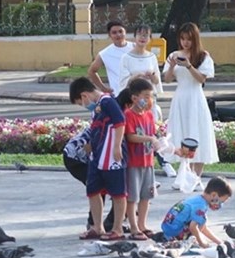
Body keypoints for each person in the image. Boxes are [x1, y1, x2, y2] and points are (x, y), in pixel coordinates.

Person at [69, 76, 128, 241]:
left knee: (117, 193)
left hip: (111, 155)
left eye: (81, 103)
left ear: (84, 95)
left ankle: (117, 229)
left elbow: (120, 122)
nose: (84, 106)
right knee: (93, 190)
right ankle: (97, 227)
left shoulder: (108, 102)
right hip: (97, 156)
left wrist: (117, 146)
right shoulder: (98, 108)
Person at [162, 22, 218, 187]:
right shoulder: (174, 54)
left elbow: (201, 79)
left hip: (196, 98)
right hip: (180, 98)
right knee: (181, 133)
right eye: (182, 39)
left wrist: (188, 65)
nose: (185, 42)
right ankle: (183, 176)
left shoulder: (203, 56)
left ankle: (195, 177)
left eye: (189, 39)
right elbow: (167, 79)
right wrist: (172, 66)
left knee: (197, 133)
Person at [118, 23, 174, 177]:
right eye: (140, 34)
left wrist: (153, 77)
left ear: (150, 38)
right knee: (136, 132)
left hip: (148, 101)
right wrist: (137, 77)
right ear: (134, 37)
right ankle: (134, 167)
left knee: (152, 131)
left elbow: (157, 82)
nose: (143, 38)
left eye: (146, 35)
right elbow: (123, 82)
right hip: (134, 102)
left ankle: (163, 163)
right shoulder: (126, 57)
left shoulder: (151, 57)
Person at [123, 78, 159, 241]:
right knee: (133, 197)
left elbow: (153, 134)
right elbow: (130, 136)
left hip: (148, 161)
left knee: (146, 196)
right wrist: (149, 139)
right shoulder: (129, 115)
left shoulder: (150, 115)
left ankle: (142, 224)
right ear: (134, 98)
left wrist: (159, 142)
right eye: (145, 96)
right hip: (134, 162)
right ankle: (134, 226)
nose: (148, 100)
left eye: (150, 96)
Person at [159, 176, 232, 248]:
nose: (220, 205)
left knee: (201, 219)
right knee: (202, 219)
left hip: (168, 230)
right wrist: (202, 243)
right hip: (174, 234)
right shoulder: (201, 206)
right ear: (213, 195)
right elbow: (193, 227)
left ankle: (194, 239)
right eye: (221, 202)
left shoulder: (198, 199)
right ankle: (189, 241)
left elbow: (203, 228)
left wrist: (219, 242)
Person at [88, 20, 133, 97]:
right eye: (114, 33)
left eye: (120, 31)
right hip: (118, 95)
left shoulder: (135, 48)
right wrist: (103, 88)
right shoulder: (105, 54)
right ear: (109, 35)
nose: (118, 35)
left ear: (125, 32)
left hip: (137, 93)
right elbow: (92, 71)